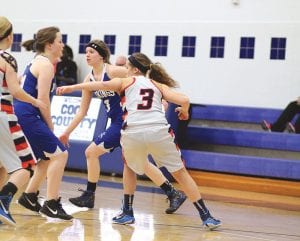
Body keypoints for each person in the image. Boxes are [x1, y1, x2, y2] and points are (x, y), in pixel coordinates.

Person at [56, 52, 222, 230]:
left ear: (135, 69)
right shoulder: (156, 84)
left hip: (133, 131)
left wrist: (72, 87)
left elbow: (100, 84)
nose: (125, 71)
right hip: (159, 131)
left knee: (129, 166)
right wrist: (185, 111)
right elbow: (184, 99)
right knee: (180, 173)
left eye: (127, 67)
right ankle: (206, 215)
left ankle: (127, 212)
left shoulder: (126, 82)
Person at [58, 40, 186, 217]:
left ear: (101, 56)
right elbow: (82, 112)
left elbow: (142, 80)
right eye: (85, 52)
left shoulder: (114, 71)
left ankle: (89, 195)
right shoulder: (89, 79)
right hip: (117, 123)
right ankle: (173, 193)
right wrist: (66, 133)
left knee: (91, 152)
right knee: (141, 163)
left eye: (91, 52)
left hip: (125, 121)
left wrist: (162, 100)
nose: (87, 55)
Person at [13, 26, 73, 221]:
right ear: (49, 45)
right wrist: (51, 124)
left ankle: (30, 196)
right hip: (28, 113)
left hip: (25, 113)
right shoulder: (45, 65)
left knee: (46, 158)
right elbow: (43, 99)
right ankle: (51, 203)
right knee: (60, 153)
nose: (62, 45)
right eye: (60, 41)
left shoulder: (39, 62)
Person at [0, 16, 46, 226]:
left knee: (2, 167)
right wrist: (36, 101)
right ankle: (3, 201)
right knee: (25, 166)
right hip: (4, 114)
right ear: (9, 36)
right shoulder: (7, 59)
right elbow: (17, 92)